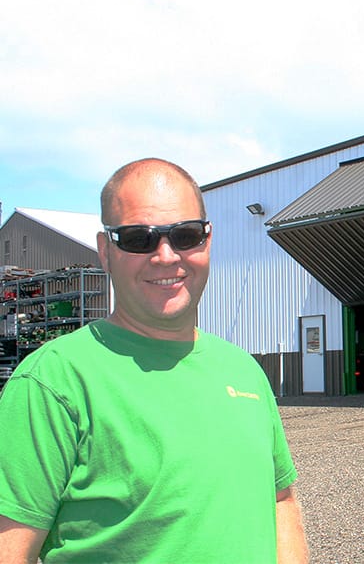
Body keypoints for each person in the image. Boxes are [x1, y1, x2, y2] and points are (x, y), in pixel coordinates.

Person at [0, 158, 308, 563]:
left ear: (208, 240)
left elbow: (280, 498)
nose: (166, 256)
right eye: (139, 239)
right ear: (106, 251)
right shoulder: (52, 383)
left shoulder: (243, 370)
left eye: (186, 235)